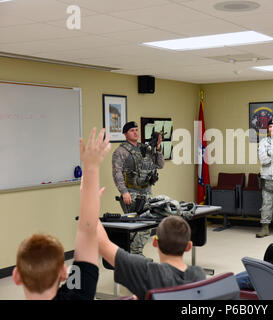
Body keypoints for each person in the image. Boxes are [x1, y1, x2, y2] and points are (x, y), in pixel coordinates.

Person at [13, 128, 111, 299]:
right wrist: (90, 168)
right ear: (64, 272)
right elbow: (86, 231)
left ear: (16, 276)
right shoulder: (78, 295)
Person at [97, 215, 206, 300]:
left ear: (155, 242)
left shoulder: (146, 272)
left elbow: (103, 244)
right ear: (189, 246)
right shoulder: (199, 275)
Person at [112, 121, 165, 255]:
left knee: (145, 223)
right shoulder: (121, 151)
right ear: (125, 134)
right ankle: (134, 254)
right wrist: (124, 192)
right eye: (132, 131)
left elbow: (160, 164)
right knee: (138, 224)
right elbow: (116, 173)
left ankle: (133, 255)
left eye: (136, 130)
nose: (135, 132)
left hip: (146, 191)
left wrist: (158, 147)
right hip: (131, 193)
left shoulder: (145, 148)